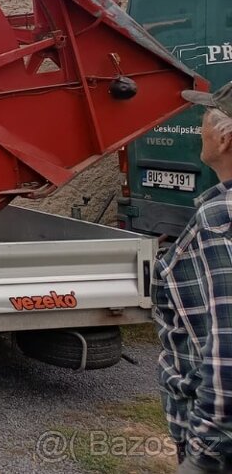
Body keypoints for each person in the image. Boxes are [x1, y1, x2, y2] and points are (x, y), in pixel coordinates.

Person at [155, 81, 232, 472]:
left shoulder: (221, 220)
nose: (198, 126)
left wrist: (203, 457)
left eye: (205, 115)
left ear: (223, 138)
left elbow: (228, 353)